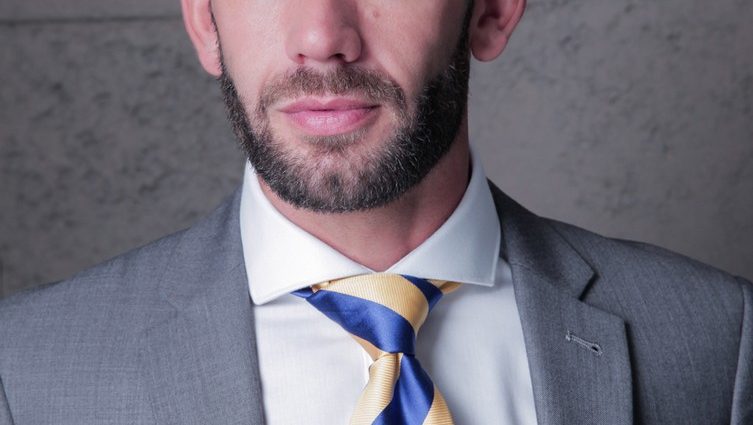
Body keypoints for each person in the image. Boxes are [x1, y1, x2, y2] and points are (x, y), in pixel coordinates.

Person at [1, 0, 751, 423]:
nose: (321, 40)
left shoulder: (717, 342)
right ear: (204, 22)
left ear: (491, 12)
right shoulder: (24, 374)